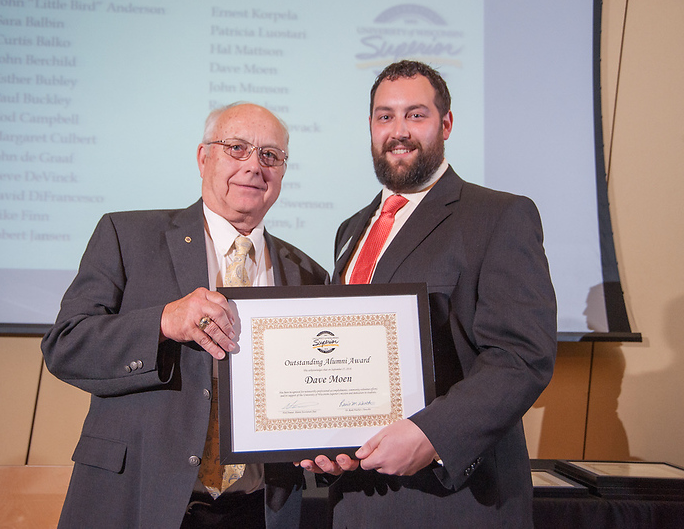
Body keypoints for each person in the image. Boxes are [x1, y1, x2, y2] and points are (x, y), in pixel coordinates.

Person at [42, 102, 329, 528]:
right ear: (203, 157)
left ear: (282, 172)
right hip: (138, 499)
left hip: (260, 510)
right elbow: (66, 346)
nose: (254, 166)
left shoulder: (309, 274)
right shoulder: (127, 236)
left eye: (270, 155)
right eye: (236, 148)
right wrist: (162, 322)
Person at [298, 60, 557, 527]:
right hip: (358, 499)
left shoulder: (498, 216)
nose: (399, 131)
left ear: (446, 123)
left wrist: (431, 434)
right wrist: (325, 435)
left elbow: (523, 356)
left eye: (416, 115)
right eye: (385, 116)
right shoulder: (351, 230)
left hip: (455, 501)